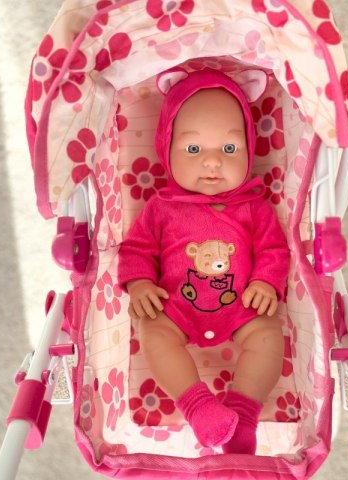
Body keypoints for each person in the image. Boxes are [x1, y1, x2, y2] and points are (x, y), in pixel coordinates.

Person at [118, 68, 290, 454]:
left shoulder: (255, 207)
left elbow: (274, 250)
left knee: (268, 335)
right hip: (175, 308)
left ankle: (243, 415)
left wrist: (266, 281)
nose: (212, 162)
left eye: (229, 149)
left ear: (249, 150)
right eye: (194, 150)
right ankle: (199, 407)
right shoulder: (160, 207)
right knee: (153, 332)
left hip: (241, 306)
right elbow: (136, 250)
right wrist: (141, 283)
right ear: (166, 149)